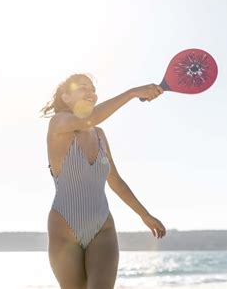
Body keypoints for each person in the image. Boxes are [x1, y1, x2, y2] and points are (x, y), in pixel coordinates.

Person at [39, 73, 167, 289]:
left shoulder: (100, 134)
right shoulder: (58, 123)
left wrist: (144, 214)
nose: (91, 93)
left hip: (102, 227)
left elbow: (115, 180)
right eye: (82, 88)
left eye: (92, 89)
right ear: (66, 97)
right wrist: (132, 92)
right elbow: (89, 118)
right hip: (64, 227)